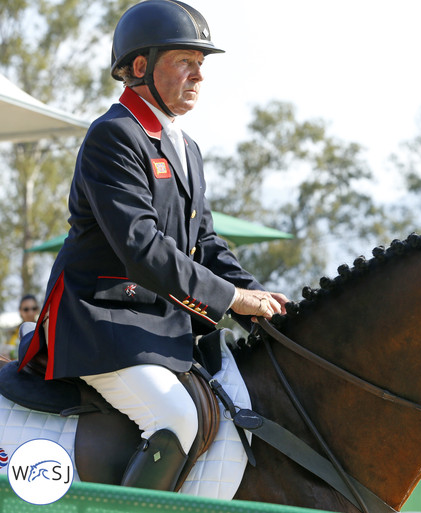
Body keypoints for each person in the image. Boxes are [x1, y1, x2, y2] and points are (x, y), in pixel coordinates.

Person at [17, 0, 288, 491]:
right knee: (176, 418)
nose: (198, 77)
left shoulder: (186, 147)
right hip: (103, 321)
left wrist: (257, 298)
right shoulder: (113, 136)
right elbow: (142, 247)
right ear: (139, 67)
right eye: (184, 61)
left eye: (201, 65)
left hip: (161, 324)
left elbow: (203, 242)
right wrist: (229, 300)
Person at [2, 294, 38, 359]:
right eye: (26, 309)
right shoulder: (11, 333)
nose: (30, 312)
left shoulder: (43, 331)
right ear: (20, 311)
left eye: (34, 308)